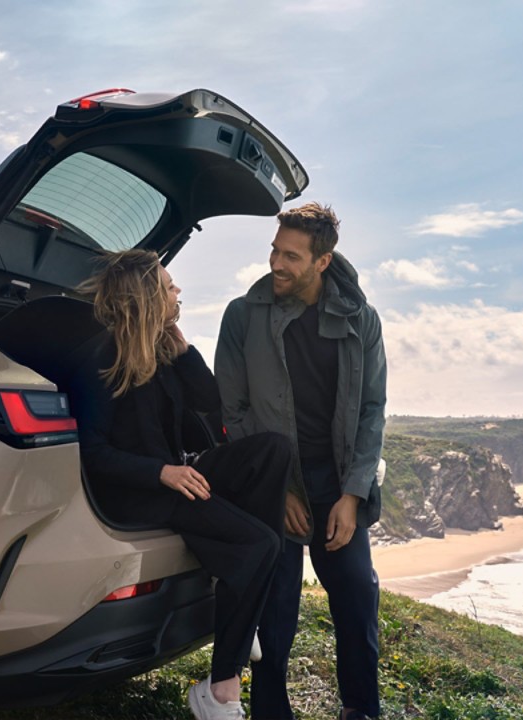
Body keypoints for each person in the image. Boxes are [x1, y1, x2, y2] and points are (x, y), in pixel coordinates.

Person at [69, 249, 292, 720]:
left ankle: (242, 607)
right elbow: (92, 452)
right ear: (148, 296)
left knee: (273, 450)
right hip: (141, 493)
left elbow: (209, 401)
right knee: (259, 545)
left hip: (175, 476)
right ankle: (220, 691)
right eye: (169, 287)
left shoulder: (161, 352)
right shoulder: (102, 358)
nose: (178, 292)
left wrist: (179, 341)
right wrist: (162, 474)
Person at [215, 203, 387, 720]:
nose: (277, 264)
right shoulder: (243, 316)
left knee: (358, 597)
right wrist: (278, 488)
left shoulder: (362, 320)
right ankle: (271, 711)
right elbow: (233, 408)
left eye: (291, 256)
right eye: (274, 250)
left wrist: (352, 496)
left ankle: (361, 709)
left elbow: (372, 411)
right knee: (276, 612)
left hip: (336, 484)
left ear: (323, 261)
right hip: (273, 485)